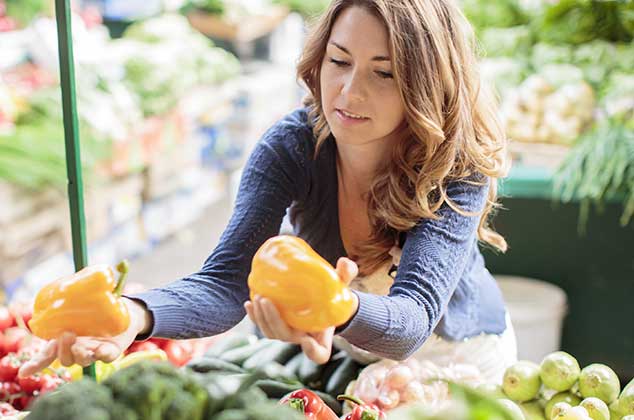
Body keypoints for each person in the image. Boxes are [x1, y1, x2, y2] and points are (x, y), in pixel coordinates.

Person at [20, 0, 517, 383]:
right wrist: (133, 314)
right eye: (339, 61)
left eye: (383, 73)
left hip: (458, 357)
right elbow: (225, 284)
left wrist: (329, 306)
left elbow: (412, 321)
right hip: (352, 355)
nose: (349, 92)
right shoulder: (293, 146)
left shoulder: (456, 167)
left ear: (426, 84)